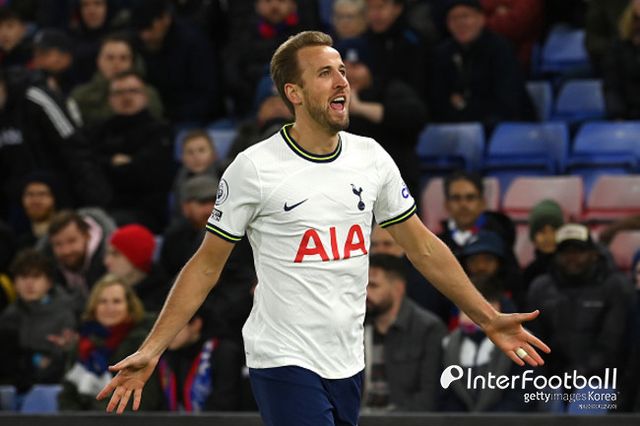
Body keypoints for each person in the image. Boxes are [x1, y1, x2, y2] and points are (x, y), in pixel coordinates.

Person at [97, 31, 549, 425]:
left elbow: (423, 248)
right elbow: (206, 266)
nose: (342, 81)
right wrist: (152, 348)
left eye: (342, 71)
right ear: (293, 93)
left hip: (347, 358)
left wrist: (487, 318)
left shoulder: (371, 157)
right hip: (282, 356)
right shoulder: (254, 168)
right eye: (325, 73)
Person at [527, 223, 634, 412]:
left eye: (579, 251)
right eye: (565, 252)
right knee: (539, 399)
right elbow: (534, 341)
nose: (572, 258)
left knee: (584, 405)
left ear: (594, 254)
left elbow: (612, 346)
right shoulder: (540, 288)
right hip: (552, 381)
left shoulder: (615, 287)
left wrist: (576, 376)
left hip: (601, 380)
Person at [59, 274, 164, 411]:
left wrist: (98, 418)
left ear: (129, 306)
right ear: (94, 306)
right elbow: (68, 393)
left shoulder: (142, 343)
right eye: (103, 301)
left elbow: (144, 398)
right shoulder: (83, 343)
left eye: (116, 301)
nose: (110, 308)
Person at [89, 70, 173, 233]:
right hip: (105, 206)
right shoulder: (99, 131)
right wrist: (115, 163)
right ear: (110, 99)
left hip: (145, 211)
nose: (126, 97)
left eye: (133, 91)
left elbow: (148, 173)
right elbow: (90, 168)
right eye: (119, 93)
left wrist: (110, 165)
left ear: (145, 96)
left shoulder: (160, 131)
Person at [429, 0, 533, 128]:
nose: (460, 23)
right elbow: (439, 101)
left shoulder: (501, 50)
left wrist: (462, 105)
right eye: (453, 18)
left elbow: (508, 102)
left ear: (481, 19)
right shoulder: (442, 53)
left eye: (465, 16)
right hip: (458, 128)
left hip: (505, 127)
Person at [362, 253, 445, 411]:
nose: (365, 293)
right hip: (357, 418)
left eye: (373, 286)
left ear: (398, 288)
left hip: (406, 419)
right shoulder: (356, 325)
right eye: (363, 286)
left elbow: (429, 396)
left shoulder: (428, 329)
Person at [0, 249, 76, 390]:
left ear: (49, 282)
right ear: (15, 283)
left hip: (56, 386)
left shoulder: (67, 312)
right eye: (23, 277)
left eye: (36, 277)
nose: (29, 284)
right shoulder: (8, 317)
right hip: (13, 388)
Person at [70, 32, 164, 128]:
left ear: (132, 62)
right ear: (98, 61)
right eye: (110, 58)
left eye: (123, 58)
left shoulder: (148, 93)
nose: (116, 63)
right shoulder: (81, 96)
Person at [158, 308, 244, 411]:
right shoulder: (166, 356)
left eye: (173, 327)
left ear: (196, 324)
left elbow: (225, 402)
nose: (166, 334)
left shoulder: (223, 352)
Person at [104, 224, 170, 313]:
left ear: (136, 258)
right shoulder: (105, 289)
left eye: (116, 254)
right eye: (108, 253)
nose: (107, 261)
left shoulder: (159, 303)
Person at [170, 130, 219, 223]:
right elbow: (178, 215)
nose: (196, 157)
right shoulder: (179, 181)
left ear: (214, 155)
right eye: (190, 152)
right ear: (182, 158)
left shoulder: (225, 176)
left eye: (201, 150)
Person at [523, 199, 564, 290]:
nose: (548, 237)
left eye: (553, 230)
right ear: (533, 237)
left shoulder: (570, 269)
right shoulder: (528, 273)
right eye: (542, 231)